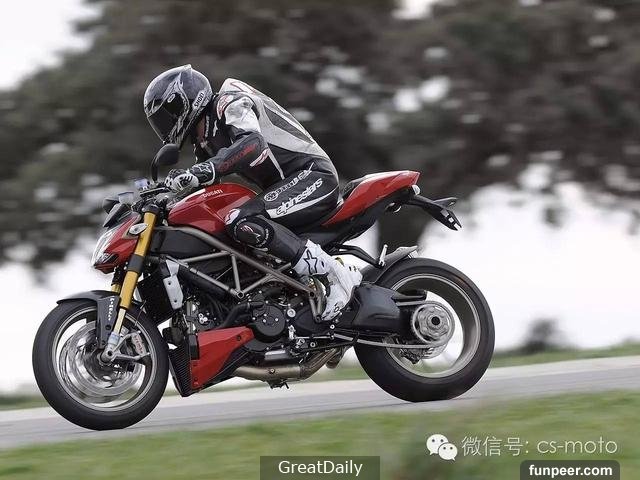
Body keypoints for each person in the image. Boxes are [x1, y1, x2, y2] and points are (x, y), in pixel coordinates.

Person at [143, 65, 361, 321]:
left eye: (165, 116)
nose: (164, 126)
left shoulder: (229, 102)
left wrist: (204, 170)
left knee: (241, 220)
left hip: (313, 176)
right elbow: (203, 190)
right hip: (286, 187)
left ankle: (334, 273)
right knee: (224, 231)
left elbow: (253, 144)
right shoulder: (204, 138)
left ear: (183, 102)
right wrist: (166, 199)